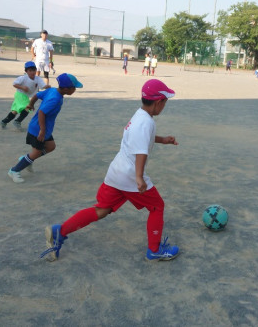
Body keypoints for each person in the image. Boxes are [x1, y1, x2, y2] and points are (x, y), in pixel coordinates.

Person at [40, 79, 180, 262]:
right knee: (157, 207)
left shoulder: (140, 115)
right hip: (130, 175)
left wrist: (163, 140)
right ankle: (154, 250)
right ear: (159, 102)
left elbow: (142, 138)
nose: (164, 106)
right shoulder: (146, 123)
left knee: (102, 210)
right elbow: (141, 151)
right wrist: (139, 177)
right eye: (165, 102)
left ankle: (60, 231)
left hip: (116, 172)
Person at [7, 73, 82, 183]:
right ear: (66, 88)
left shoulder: (53, 91)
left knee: (51, 146)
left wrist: (31, 104)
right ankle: (14, 170)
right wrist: (42, 130)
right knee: (36, 153)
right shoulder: (55, 98)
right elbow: (42, 113)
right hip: (38, 129)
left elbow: (37, 95)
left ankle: (27, 159)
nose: (75, 89)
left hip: (43, 128)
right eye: (74, 88)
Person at [0, 61, 49, 130]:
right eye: (30, 70)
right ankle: (17, 121)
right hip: (20, 94)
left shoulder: (38, 79)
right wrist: (22, 87)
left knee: (15, 111)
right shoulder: (23, 78)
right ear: (26, 71)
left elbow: (42, 86)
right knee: (28, 107)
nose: (32, 72)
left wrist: (47, 86)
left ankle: (4, 121)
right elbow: (14, 84)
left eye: (34, 70)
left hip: (26, 96)